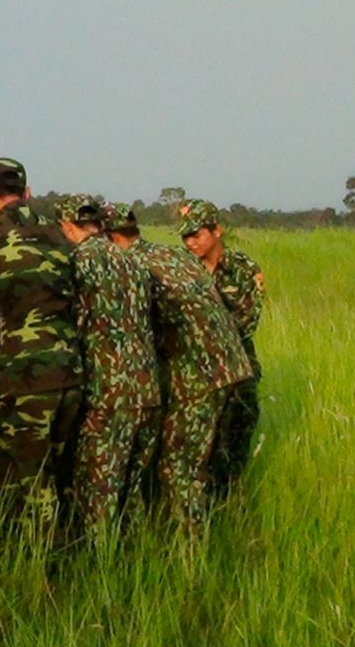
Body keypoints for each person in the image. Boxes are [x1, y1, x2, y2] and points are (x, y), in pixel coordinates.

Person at [0, 158, 83, 528]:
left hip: (26, 377)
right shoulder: (60, 236)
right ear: (27, 192)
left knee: (30, 479)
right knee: (61, 472)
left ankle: (39, 564)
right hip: (70, 370)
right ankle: (75, 544)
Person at [104, 203, 252, 529]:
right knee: (205, 460)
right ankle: (217, 523)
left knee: (179, 469)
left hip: (199, 375)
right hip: (232, 368)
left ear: (110, 237)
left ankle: (190, 556)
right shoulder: (169, 255)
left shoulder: (131, 264)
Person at [54, 194, 161, 536]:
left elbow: (76, 326)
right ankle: (139, 559)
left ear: (67, 225)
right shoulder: (133, 262)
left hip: (108, 393)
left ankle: (101, 568)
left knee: (99, 493)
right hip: (147, 390)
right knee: (132, 494)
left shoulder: (79, 261)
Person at [179, 199, 264, 497]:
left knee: (234, 445)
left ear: (217, 230)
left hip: (238, 372)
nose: (190, 242)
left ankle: (230, 505)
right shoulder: (180, 269)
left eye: (197, 234)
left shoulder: (244, 269)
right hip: (194, 376)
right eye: (185, 236)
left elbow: (246, 321)